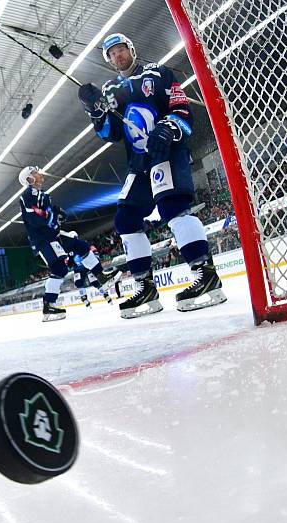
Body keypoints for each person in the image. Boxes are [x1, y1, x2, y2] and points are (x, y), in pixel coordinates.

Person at [77, 33, 227, 318]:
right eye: (112, 54)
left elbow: (181, 108)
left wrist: (169, 127)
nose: (117, 56)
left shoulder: (158, 72)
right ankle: (145, 286)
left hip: (165, 152)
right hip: (138, 163)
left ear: (131, 49)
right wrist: (95, 111)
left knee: (173, 208)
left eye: (121, 49)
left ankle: (205, 273)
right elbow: (109, 133)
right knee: (125, 219)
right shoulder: (111, 89)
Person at [18, 165, 119, 321]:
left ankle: (101, 277)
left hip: (53, 235)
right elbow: (37, 219)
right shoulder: (29, 194)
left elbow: (48, 213)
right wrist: (54, 216)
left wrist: (56, 213)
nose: (39, 173)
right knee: (59, 268)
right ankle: (48, 306)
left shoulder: (41, 195)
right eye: (35, 172)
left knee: (82, 246)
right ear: (29, 179)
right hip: (44, 238)